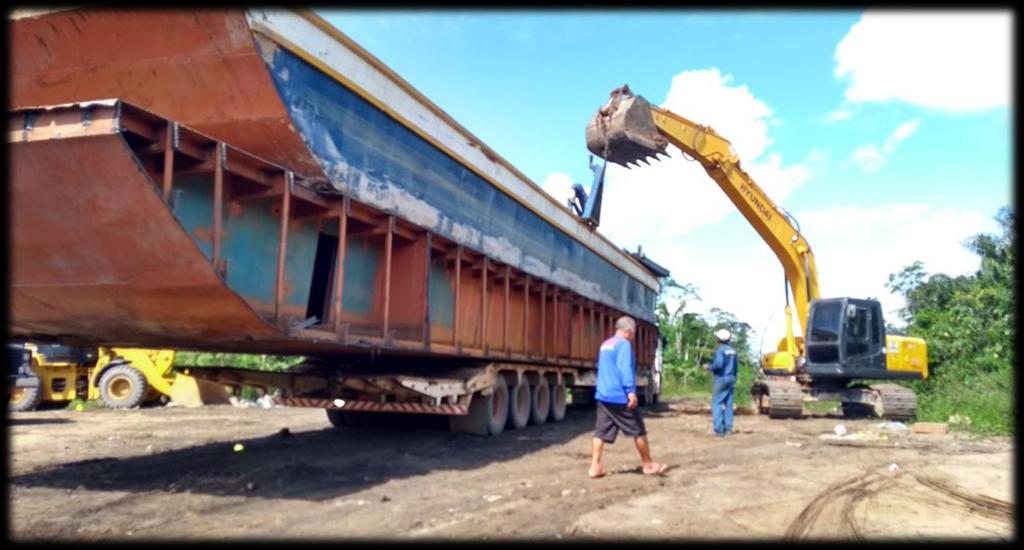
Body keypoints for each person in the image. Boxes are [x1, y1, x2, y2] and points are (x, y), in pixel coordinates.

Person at [589, 316, 667, 478]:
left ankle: (595, 467)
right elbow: (625, 370)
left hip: (603, 394)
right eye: (634, 333)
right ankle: (648, 465)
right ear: (629, 331)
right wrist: (630, 392)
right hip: (619, 396)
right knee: (638, 430)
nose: (633, 337)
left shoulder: (606, 344)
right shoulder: (623, 345)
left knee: (600, 432)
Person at [705, 328, 739, 437]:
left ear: (718, 339)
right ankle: (728, 429)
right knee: (728, 404)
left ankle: (719, 430)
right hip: (731, 378)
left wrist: (709, 367)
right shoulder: (733, 351)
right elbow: (736, 367)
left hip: (722, 379)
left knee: (717, 403)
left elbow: (719, 365)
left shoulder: (720, 350)